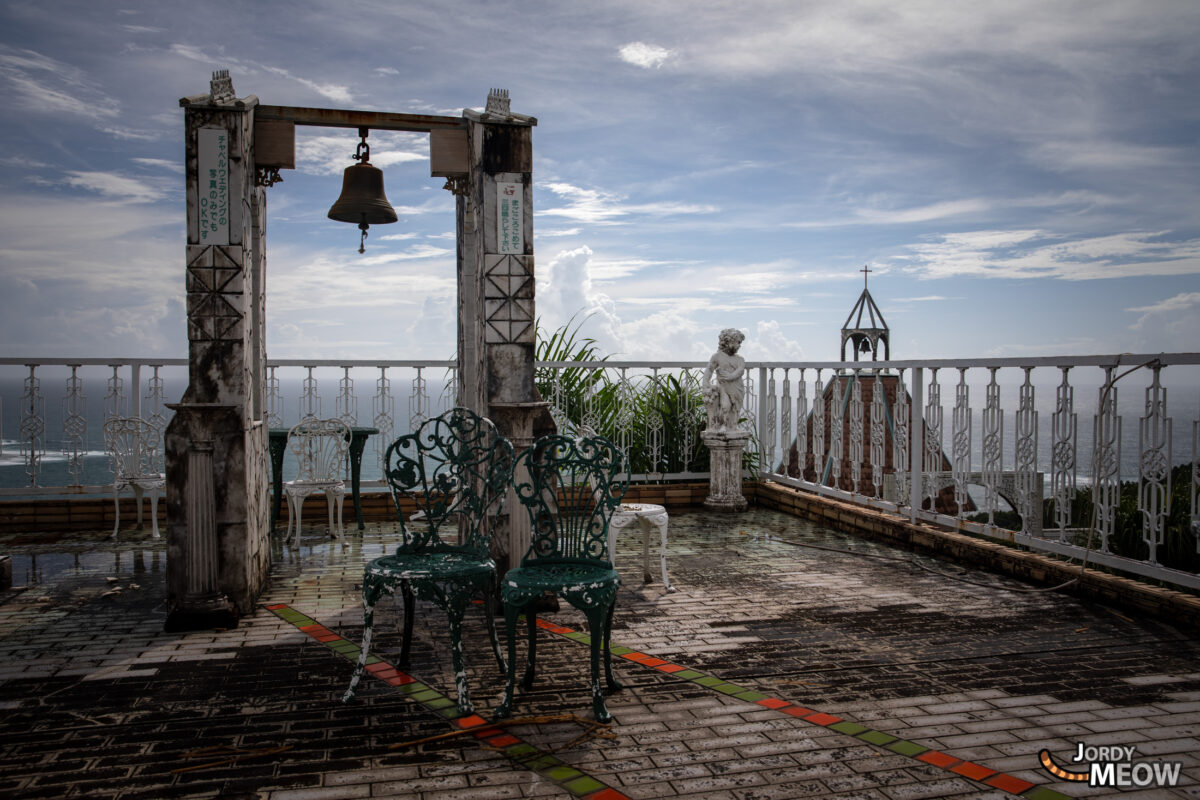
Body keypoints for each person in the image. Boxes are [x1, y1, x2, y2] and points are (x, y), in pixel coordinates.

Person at [702, 328, 746, 432]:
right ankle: (724, 425)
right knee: (725, 406)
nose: (739, 345)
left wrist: (730, 376)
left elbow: (740, 371)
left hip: (737, 387)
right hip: (724, 387)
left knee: (736, 407)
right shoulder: (717, 357)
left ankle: (733, 425)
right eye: (738, 342)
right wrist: (705, 384)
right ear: (729, 341)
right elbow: (709, 370)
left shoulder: (740, 359)